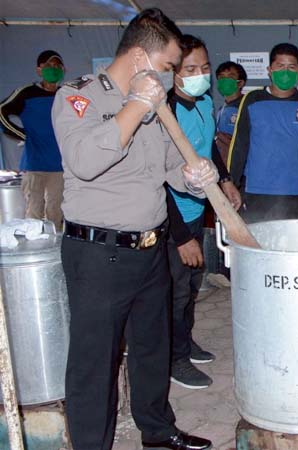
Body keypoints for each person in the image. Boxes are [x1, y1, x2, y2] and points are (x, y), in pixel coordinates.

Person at [50, 8, 214, 450]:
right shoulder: (78, 96)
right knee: (95, 363)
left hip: (150, 249)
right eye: (166, 67)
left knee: (151, 348)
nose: (170, 77)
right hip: (99, 255)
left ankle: (158, 432)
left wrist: (194, 176)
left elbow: (167, 167)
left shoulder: (156, 106)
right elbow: (85, 161)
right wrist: (137, 104)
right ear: (140, 58)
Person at [165, 34, 241, 390]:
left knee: (193, 285)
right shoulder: (165, 108)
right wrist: (181, 237)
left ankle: (185, 341)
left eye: (205, 67)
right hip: (171, 215)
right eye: (190, 68)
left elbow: (208, 145)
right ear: (174, 71)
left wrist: (225, 179)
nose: (200, 74)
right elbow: (157, 179)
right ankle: (173, 358)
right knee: (176, 289)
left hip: (197, 208)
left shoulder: (203, 102)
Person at [227, 43, 298, 223]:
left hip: (294, 191)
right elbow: (239, 144)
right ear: (269, 69)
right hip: (257, 189)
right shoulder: (253, 99)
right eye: (280, 66)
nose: (285, 71)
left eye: (291, 67)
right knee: (257, 243)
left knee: (289, 245)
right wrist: (231, 182)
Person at [0, 50, 66, 228]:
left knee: (56, 212)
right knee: (34, 213)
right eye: (48, 65)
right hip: (34, 164)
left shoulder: (66, 95)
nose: (53, 69)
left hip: (60, 167)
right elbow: (1, 111)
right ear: (39, 69)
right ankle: (34, 251)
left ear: (63, 69)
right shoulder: (27, 93)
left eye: (57, 66)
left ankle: (55, 252)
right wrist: (22, 134)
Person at [214, 61, 247, 162]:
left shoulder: (246, 106)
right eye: (222, 77)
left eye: (230, 76)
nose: (225, 80)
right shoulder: (222, 109)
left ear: (240, 83)